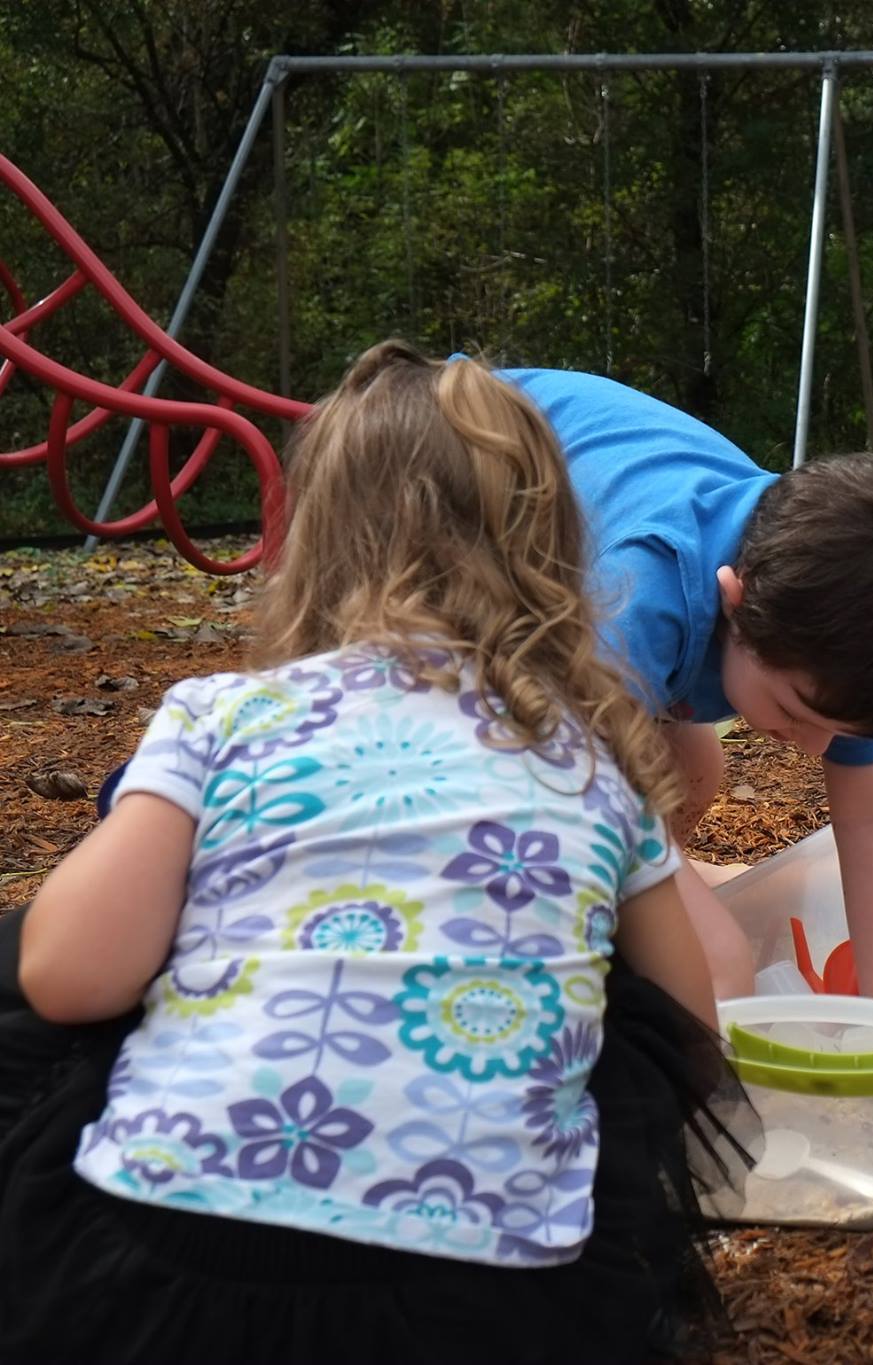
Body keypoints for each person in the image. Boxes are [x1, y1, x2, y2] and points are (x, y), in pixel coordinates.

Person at [0, 342, 745, 1362]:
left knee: (29, 950)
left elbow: (65, 975)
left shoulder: (223, 718)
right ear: (554, 551)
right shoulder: (591, 758)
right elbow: (692, 1045)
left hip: (158, 1279)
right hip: (507, 1311)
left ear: (310, 542)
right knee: (621, 1016)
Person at [495, 366, 873, 1003]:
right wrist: (700, 950)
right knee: (703, 942)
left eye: (840, 731)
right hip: (445, 513)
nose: (816, 748)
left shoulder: (846, 633)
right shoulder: (646, 593)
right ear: (736, 599)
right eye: (795, 711)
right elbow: (568, 787)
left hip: (580, 633)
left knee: (689, 771)